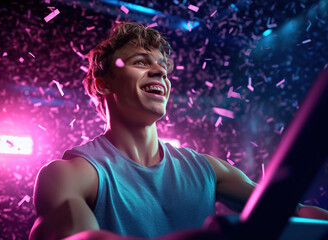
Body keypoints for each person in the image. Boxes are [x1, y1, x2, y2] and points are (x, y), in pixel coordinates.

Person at [29, 22, 328, 240]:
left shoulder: (207, 168)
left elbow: (294, 211)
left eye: (162, 67)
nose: (160, 72)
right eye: (140, 62)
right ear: (103, 83)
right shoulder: (68, 174)